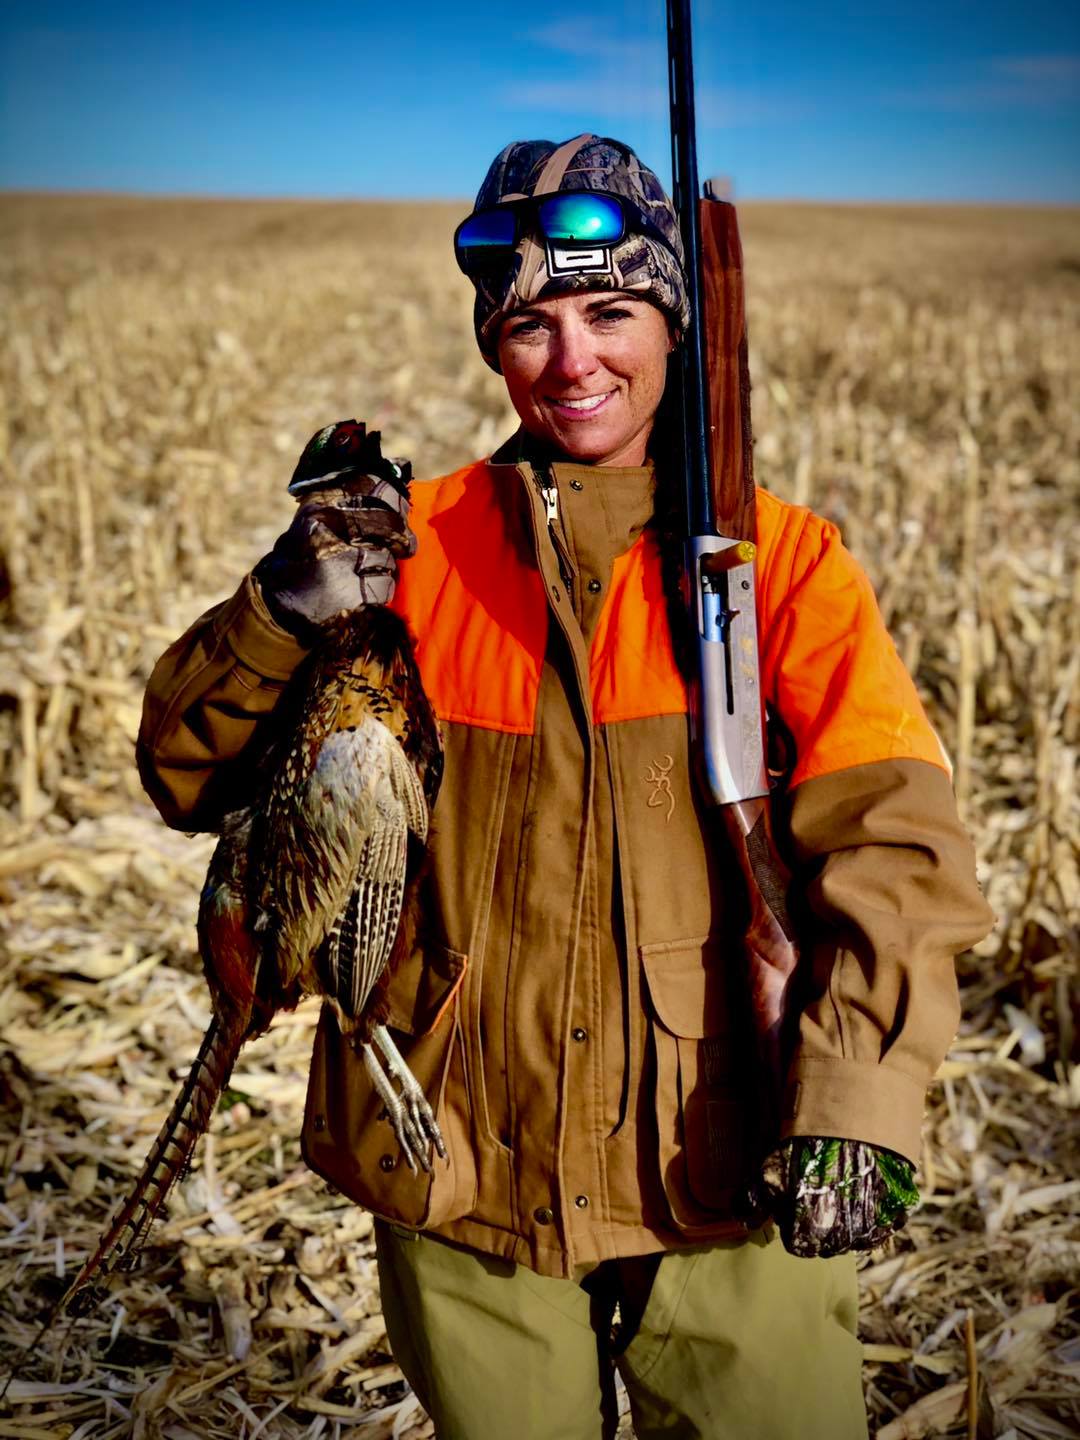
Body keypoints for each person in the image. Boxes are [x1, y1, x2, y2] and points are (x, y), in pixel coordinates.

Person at [137, 135, 993, 1439]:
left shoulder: (784, 569)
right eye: (530, 322)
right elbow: (188, 771)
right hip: (463, 1175)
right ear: (492, 340)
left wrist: (857, 1105)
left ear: (675, 319)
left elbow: (901, 855)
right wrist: (280, 610)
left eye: (610, 311)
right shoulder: (408, 550)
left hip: (725, 1166)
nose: (573, 360)